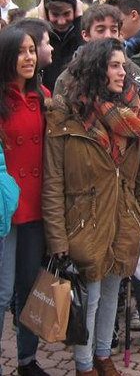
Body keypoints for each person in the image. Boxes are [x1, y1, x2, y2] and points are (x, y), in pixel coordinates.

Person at [43, 38, 140, 376]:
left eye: (124, 65)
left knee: (112, 294)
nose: (124, 72)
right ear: (96, 69)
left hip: (122, 219)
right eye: (115, 65)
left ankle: (104, 355)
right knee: (87, 299)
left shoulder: (136, 113)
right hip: (84, 221)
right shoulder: (66, 115)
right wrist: (58, 238)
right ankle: (83, 364)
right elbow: (53, 181)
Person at [0, 27, 51, 376]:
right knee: (3, 293)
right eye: (21, 52)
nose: (29, 57)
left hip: (37, 207)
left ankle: (27, 361)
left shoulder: (44, 97)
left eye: (32, 50)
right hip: (5, 210)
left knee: (30, 289)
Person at [40, 0, 85, 93]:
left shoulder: (83, 32)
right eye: (55, 14)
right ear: (46, 13)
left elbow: (87, 57)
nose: (61, 21)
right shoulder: (37, 32)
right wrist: (40, 25)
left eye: (66, 14)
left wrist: (79, 20)